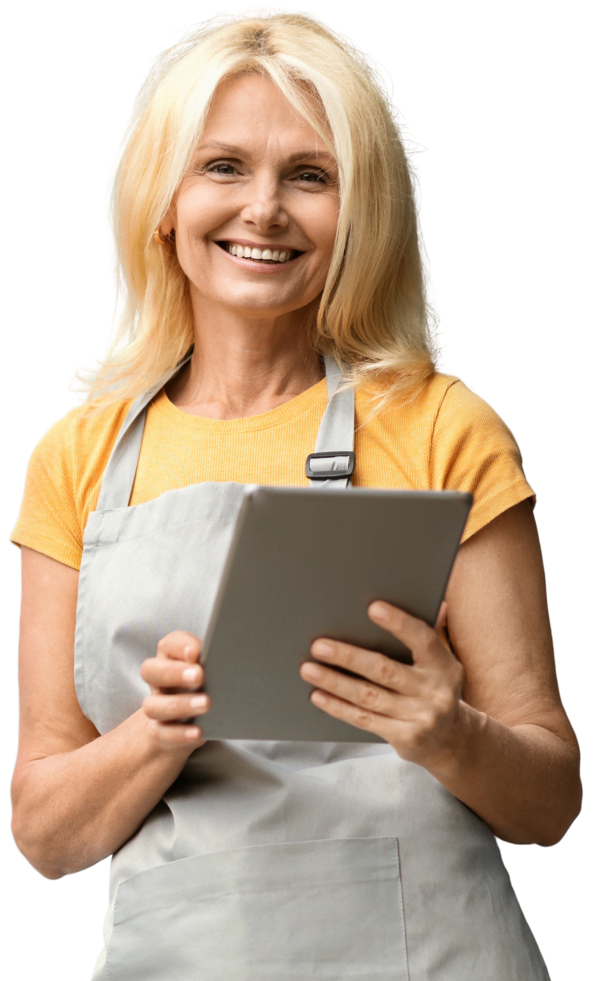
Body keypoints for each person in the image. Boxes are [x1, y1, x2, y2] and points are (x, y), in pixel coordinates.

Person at [10, 8, 580, 979]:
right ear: (162, 198)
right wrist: (157, 733)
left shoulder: (439, 425)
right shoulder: (78, 456)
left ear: (358, 212)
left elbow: (548, 798)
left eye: (310, 175)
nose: (265, 209)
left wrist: (450, 734)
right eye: (223, 166)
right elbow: (44, 829)